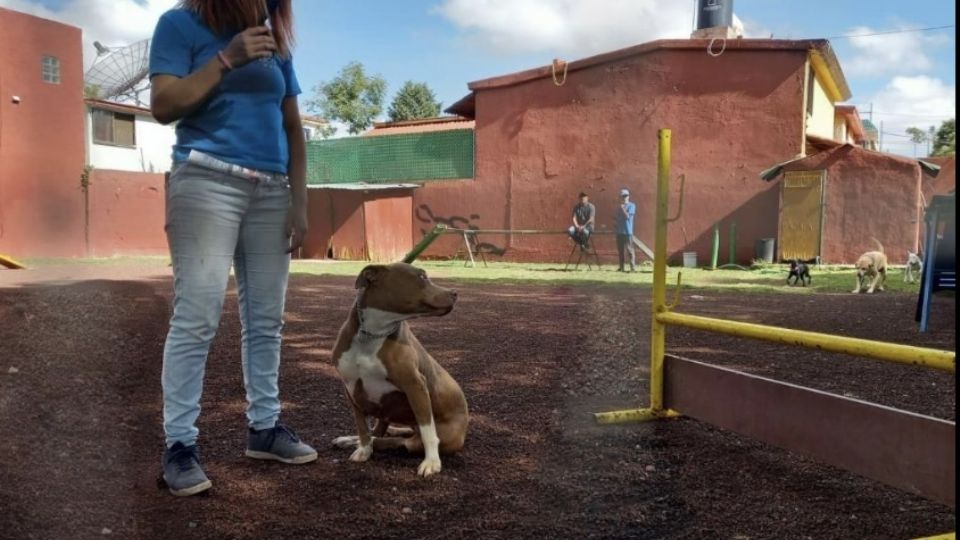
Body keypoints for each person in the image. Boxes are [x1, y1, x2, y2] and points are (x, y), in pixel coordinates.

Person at [149, 0, 315, 497]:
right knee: (197, 316)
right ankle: (179, 445)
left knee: (267, 318)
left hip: (272, 190)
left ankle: (264, 428)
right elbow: (164, 105)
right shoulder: (179, 24)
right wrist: (226, 60)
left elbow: (292, 126)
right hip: (205, 180)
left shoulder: (274, 41)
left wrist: (300, 201)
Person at [615, 188, 637, 272]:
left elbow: (628, 217)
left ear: (628, 196)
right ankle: (621, 267)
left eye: (626, 196)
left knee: (630, 250)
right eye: (623, 196)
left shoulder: (632, 205)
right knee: (620, 251)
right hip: (619, 232)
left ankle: (632, 267)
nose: (624, 197)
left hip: (627, 231)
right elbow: (617, 218)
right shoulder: (619, 207)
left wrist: (623, 208)